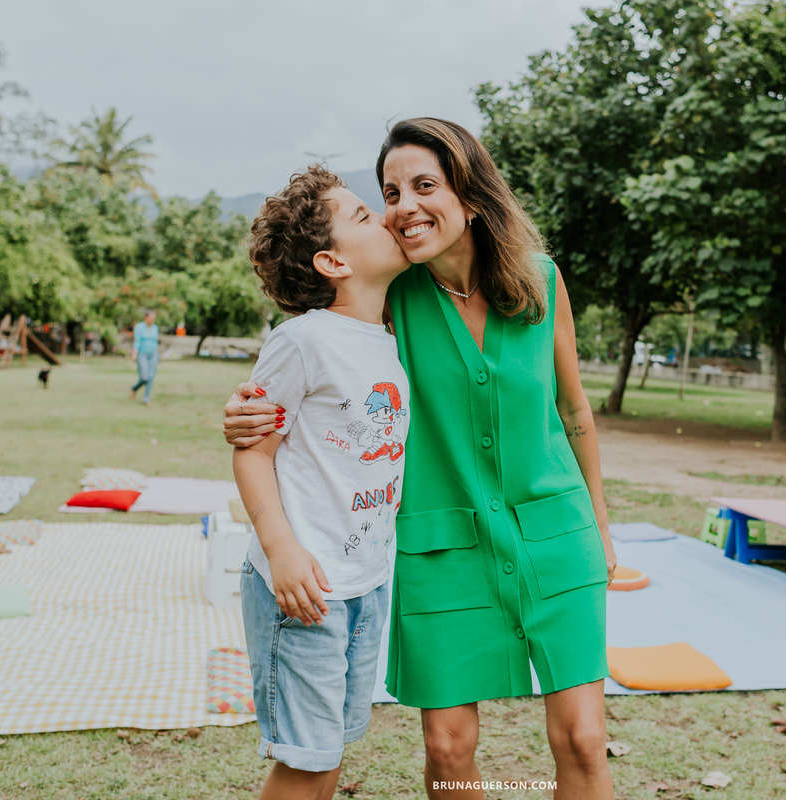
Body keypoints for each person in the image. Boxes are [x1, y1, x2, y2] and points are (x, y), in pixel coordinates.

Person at [224, 118, 617, 800]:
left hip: (558, 535)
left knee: (582, 739)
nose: (403, 206)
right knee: (448, 745)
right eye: (389, 191)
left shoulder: (543, 283)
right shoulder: (389, 294)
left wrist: (603, 524)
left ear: (471, 193)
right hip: (442, 548)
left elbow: (573, 409)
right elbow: (319, 360)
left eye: (423, 185)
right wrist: (245, 413)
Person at [232, 166, 411, 800]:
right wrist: (282, 550)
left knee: (330, 750)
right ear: (333, 262)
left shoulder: (390, 336)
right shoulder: (302, 342)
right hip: (301, 585)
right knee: (305, 762)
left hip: (364, 581)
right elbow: (253, 453)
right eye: (365, 215)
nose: (387, 217)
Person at [130, 310, 160, 406]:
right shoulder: (138, 327)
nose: (152, 320)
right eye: (151, 318)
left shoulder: (155, 328)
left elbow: (155, 342)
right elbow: (137, 341)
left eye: (153, 318)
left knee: (151, 377)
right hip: (142, 354)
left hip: (153, 354)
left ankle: (146, 398)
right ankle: (134, 388)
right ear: (145, 317)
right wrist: (134, 353)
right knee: (144, 377)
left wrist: (158, 355)